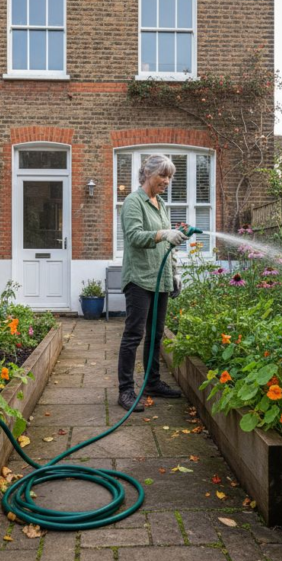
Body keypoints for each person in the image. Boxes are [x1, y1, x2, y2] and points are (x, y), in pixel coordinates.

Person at [116, 154, 188, 412]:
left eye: (169, 177)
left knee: (156, 336)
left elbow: (170, 244)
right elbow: (135, 236)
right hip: (139, 278)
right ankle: (125, 391)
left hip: (161, 278)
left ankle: (152, 383)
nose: (167, 181)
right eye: (162, 175)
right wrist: (163, 233)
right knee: (133, 335)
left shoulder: (162, 204)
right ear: (147, 173)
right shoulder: (133, 202)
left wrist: (175, 272)